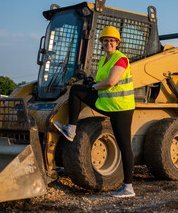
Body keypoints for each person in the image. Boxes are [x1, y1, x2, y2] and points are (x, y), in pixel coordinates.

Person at [53, 26, 136, 198]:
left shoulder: (121, 59)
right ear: (102, 43)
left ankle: (128, 188)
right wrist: (92, 82)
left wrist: (94, 86)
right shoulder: (104, 61)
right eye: (105, 40)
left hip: (121, 108)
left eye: (111, 40)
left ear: (117, 43)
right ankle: (71, 129)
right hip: (106, 104)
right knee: (76, 90)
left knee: (125, 147)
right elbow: (101, 81)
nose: (108, 43)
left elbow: (111, 81)